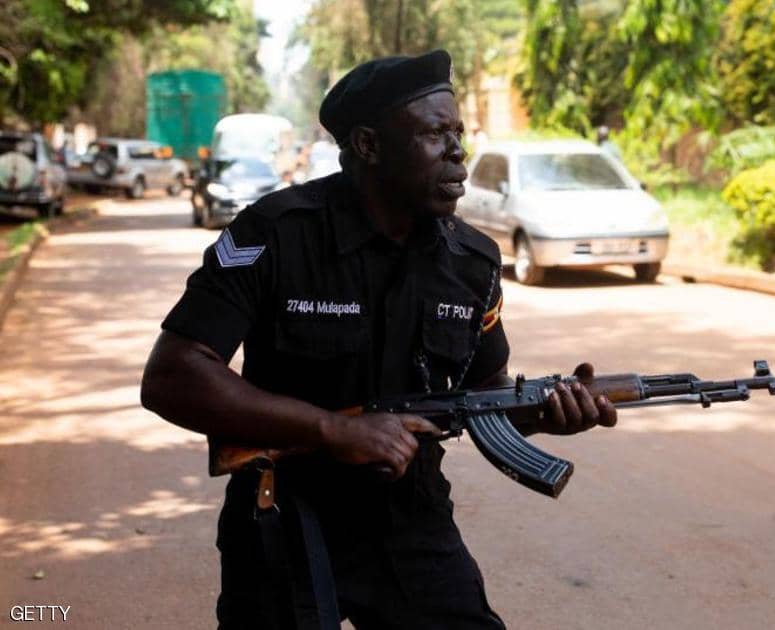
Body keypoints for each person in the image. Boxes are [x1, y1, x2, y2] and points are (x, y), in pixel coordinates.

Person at [141, 50, 617, 629]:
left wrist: (548, 413)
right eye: (434, 133)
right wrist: (332, 429)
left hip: (407, 518)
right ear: (368, 145)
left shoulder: (472, 261)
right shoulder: (277, 234)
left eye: (458, 132)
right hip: (281, 511)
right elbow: (173, 374)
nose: (457, 150)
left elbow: (483, 392)